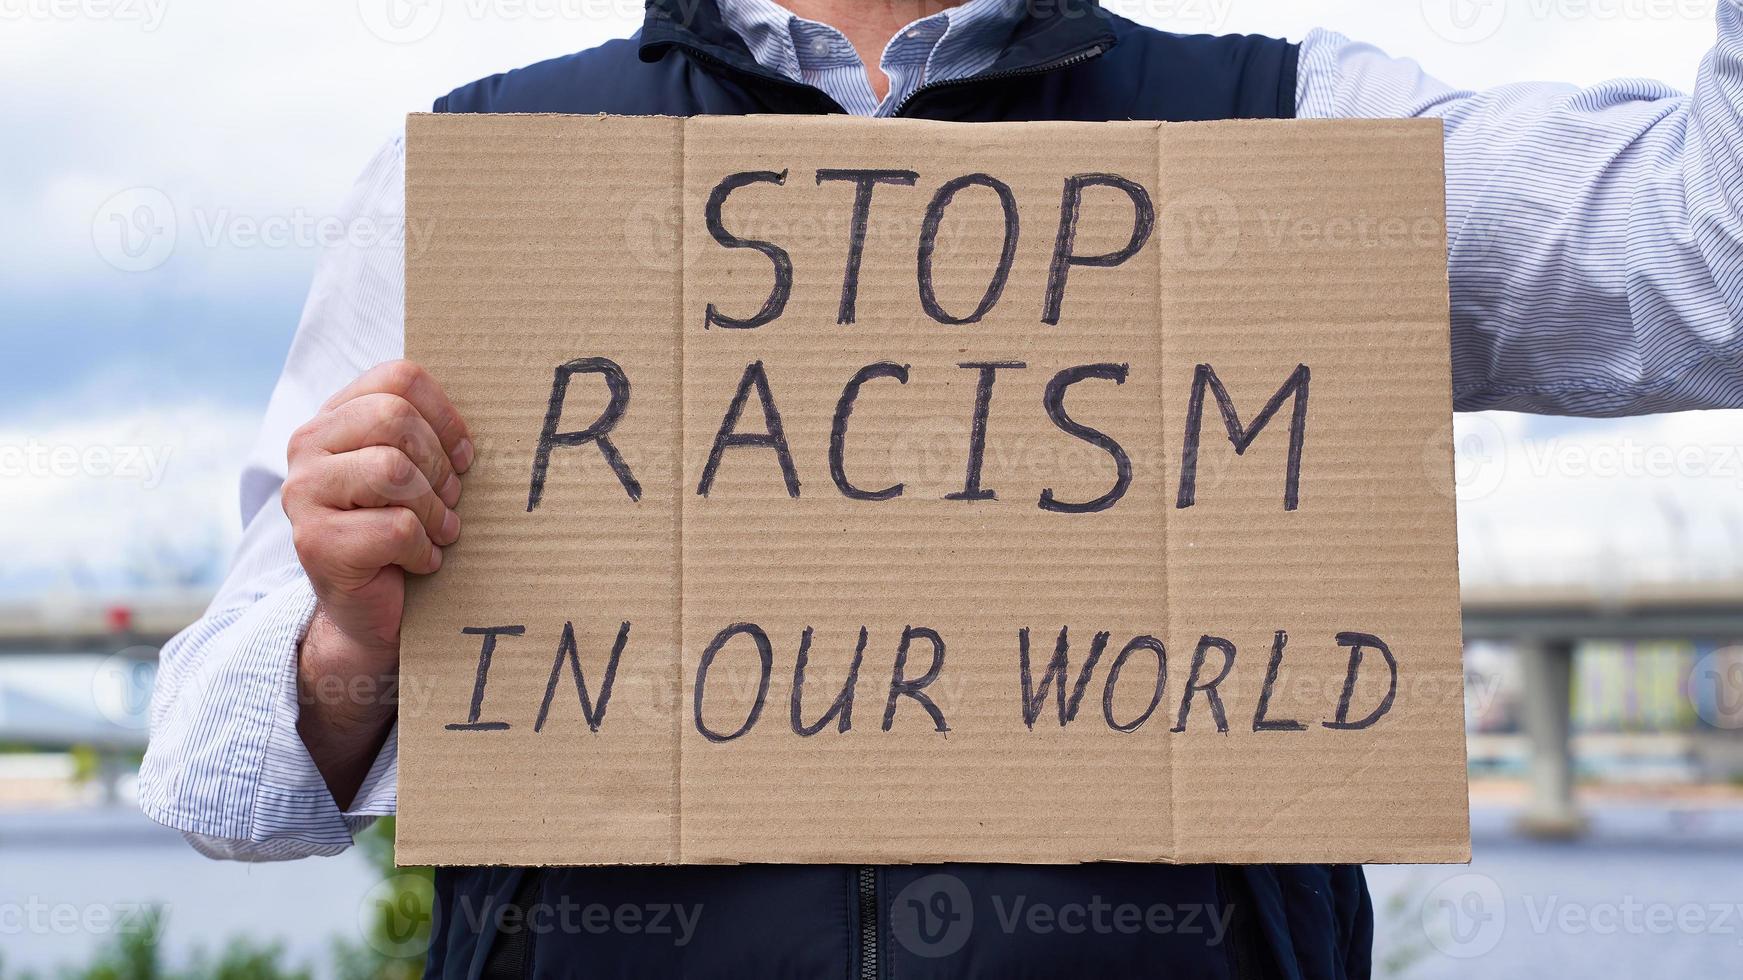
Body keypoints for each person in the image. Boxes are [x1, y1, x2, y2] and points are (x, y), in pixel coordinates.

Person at [140, 0, 1743, 976]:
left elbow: (1709, 264)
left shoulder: (1305, 133)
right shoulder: (479, 171)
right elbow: (214, 780)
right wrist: (347, 650)